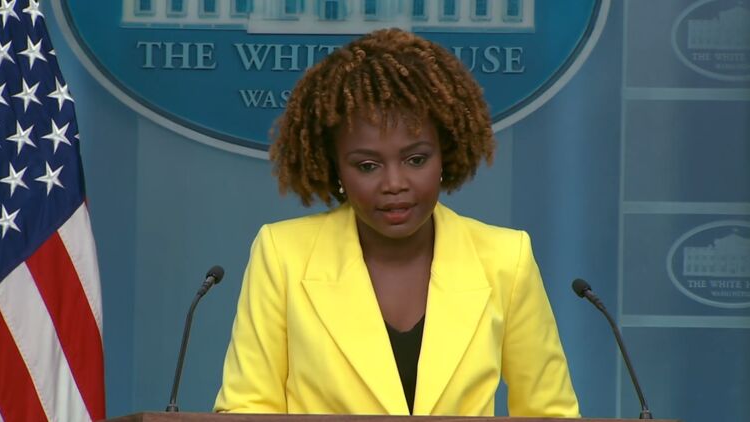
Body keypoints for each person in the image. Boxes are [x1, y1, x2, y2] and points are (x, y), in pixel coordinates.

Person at [214, 28, 579, 417]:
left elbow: (549, 414)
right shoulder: (282, 254)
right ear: (336, 168)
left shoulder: (506, 259)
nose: (394, 183)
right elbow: (247, 409)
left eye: (416, 160)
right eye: (367, 166)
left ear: (444, 155)